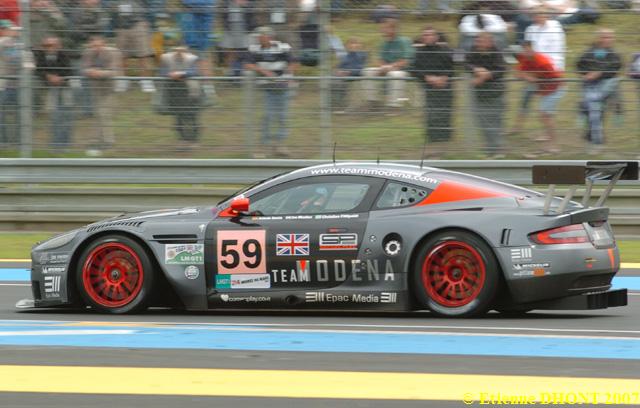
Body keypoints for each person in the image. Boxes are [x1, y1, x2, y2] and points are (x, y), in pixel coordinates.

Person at [245, 26, 297, 158]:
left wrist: (288, 74)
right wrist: (263, 71)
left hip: (283, 85)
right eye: (258, 36)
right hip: (266, 86)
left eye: (260, 36)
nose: (258, 38)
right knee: (267, 116)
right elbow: (248, 64)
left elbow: (293, 62)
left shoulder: (283, 47)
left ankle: (280, 145)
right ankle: (263, 145)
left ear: (269, 36)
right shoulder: (254, 49)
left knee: (283, 116)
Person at [511, 41, 565, 154]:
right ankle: (548, 137)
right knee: (545, 116)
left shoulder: (542, 61)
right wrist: (528, 76)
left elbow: (552, 78)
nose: (525, 53)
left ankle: (554, 146)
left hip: (555, 88)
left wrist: (533, 78)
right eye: (524, 51)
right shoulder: (525, 59)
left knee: (545, 116)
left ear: (532, 49)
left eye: (527, 50)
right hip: (544, 89)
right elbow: (517, 73)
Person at [576, 29, 622, 150]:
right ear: (599, 38)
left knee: (597, 110)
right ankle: (595, 138)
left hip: (605, 87)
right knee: (594, 110)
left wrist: (599, 73)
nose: (608, 40)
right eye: (605, 37)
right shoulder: (590, 51)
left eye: (610, 37)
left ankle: (594, 137)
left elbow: (616, 66)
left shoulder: (614, 54)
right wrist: (587, 74)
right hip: (591, 86)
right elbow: (580, 64)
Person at [411, 27, 454, 151]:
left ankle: (445, 140)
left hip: (445, 86)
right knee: (431, 113)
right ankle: (432, 139)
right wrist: (427, 77)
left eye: (431, 34)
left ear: (436, 37)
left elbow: (452, 67)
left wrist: (444, 77)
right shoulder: (419, 52)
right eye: (425, 35)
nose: (428, 37)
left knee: (445, 112)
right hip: (429, 87)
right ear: (422, 38)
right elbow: (413, 69)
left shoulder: (445, 50)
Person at [466, 32, 506, 157]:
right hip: (480, 93)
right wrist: (475, 69)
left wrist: (486, 76)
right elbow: (466, 63)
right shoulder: (474, 50)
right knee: (483, 120)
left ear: (489, 42)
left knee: (494, 120)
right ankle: (490, 146)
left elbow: (501, 70)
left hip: (495, 92)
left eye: (480, 41)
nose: (477, 43)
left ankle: (496, 149)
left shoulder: (497, 52)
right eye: (476, 41)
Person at [81, 35, 122, 156]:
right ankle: (96, 140)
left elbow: (114, 71)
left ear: (104, 44)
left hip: (109, 87)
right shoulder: (87, 53)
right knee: (98, 114)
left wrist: (99, 73)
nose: (95, 48)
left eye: (98, 46)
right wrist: (89, 71)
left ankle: (108, 141)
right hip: (96, 88)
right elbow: (84, 68)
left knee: (104, 113)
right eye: (93, 46)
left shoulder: (113, 53)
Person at [69, 0, 109, 117]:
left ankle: (91, 109)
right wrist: (91, 33)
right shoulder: (76, 12)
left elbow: (102, 27)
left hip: (95, 50)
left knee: (92, 81)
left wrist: (85, 28)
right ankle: (82, 109)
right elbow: (74, 32)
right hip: (78, 50)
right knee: (80, 81)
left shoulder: (100, 11)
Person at [362, 18, 413, 110]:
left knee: (395, 74)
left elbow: (406, 61)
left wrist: (391, 67)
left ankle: (394, 106)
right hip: (388, 69)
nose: (382, 30)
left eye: (385, 28)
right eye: (382, 28)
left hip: (403, 70)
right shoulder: (384, 43)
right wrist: (383, 67)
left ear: (394, 29)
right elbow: (380, 60)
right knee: (367, 71)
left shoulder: (403, 41)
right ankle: (373, 102)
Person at [34, 36, 74, 151]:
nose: (48, 48)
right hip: (50, 89)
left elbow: (69, 70)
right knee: (54, 117)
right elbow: (38, 70)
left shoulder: (64, 54)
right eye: (46, 46)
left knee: (66, 116)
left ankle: (65, 144)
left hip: (64, 88)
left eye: (51, 45)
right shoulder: (41, 55)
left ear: (58, 46)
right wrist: (48, 76)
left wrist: (59, 78)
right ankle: (55, 143)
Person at [160, 45, 201, 149]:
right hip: (174, 91)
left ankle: (194, 140)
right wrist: (170, 75)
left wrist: (182, 73)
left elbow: (195, 72)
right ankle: (182, 140)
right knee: (178, 117)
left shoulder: (192, 59)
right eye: (177, 50)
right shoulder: (166, 58)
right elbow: (162, 72)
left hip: (190, 92)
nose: (179, 52)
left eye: (182, 50)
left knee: (192, 116)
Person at [111, 0, 155, 92]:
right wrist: (116, 25)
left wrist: (146, 21)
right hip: (121, 26)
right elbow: (112, 10)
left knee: (144, 54)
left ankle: (146, 80)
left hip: (138, 24)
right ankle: (122, 80)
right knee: (121, 55)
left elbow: (149, 5)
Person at [524, 6, 566, 71]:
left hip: (553, 66)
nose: (539, 18)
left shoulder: (555, 28)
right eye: (535, 16)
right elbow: (528, 50)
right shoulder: (530, 29)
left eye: (542, 15)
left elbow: (556, 52)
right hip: (537, 65)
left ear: (547, 16)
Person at [221, 0, 256, 76]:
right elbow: (223, 13)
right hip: (230, 27)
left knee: (244, 51)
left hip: (244, 27)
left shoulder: (248, 2)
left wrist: (245, 5)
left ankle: (244, 72)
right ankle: (230, 72)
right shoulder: (227, 2)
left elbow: (251, 12)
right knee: (230, 51)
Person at [0, 19, 21, 148]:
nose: (13, 32)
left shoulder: (17, 43)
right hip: (4, 84)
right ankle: (3, 141)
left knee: (20, 113)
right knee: (1, 114)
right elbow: (11, 59)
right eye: (10, 29)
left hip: (17, 84)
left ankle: (18, 141)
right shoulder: (3, 42)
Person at [332, 37, 366, 112]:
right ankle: (337, 104)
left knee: (340, 82)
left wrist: (348, 72)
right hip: (344, 76)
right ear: (347, 45)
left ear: (359, 45)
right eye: (351, 43)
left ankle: (342, 106)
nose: (353, 45)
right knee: (334, 78)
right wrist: (339, 71)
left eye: (355, 43)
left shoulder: (362, 55)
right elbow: (340, 66)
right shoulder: (345, 56)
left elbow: (360, 68)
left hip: (355, 76)